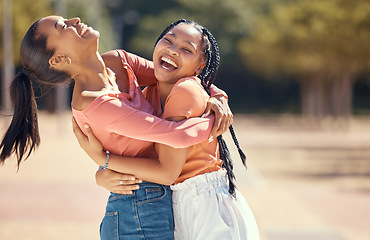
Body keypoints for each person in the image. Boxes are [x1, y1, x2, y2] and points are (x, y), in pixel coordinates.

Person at [0, 16, 232, 240]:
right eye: (63, 26)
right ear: (59, 59)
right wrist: (215, 120)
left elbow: (177, 74)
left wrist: (219, 98)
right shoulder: (95, 103)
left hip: (156, 203)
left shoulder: (116, 61)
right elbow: (177, 136)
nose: (75, 20)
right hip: (136, 211)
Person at [73, 19, 260, 239]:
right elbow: (142, 154)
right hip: (177, 203)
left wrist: (103, 160)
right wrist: (103, 174)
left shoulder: (185, 91)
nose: (172, 51)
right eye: (168, 41)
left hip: (206, 207)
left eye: (186, 49)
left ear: (200, 66)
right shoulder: (151, 91)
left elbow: (166, 172)